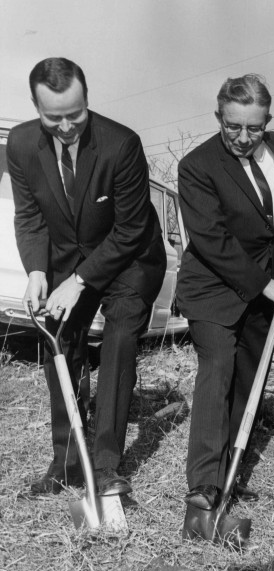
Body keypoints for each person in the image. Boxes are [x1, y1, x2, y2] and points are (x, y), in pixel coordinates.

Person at [7, 57, 166, 497]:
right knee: (59, 338)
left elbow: (132, 229)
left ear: (87, 100)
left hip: (131, 256)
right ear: (36, 107)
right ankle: (66, 462)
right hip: (69, 259)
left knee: (118, 339)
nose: (65, 127)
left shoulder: (122, 145)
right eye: (52, 117)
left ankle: (106, 465)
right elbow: (30, 217)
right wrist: (39, 271)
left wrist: (77, 281)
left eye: (74, 115)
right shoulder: (19, 145)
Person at [176, 74, 274, 526]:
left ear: (267, 122)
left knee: (248, 380)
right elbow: (212, 239)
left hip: (262, 293)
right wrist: (264, 285)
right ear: (219, 117)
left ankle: (228, 473)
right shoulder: (197, 166)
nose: (242, 137)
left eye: (253, 128)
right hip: (213, 288)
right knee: (217, 369)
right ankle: (202, 489)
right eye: (232, 126)